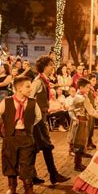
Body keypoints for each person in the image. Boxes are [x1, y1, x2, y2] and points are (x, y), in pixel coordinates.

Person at [0, 76, 42, 194]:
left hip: (26, 136)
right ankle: (12, 187)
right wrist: (5, 125)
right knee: (10, 162)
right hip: (11, 136)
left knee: (27, 163)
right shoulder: (7, 101)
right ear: (19, 88)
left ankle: (28, 189)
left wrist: (28, 125)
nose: (30, 89)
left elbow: (38, 117)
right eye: (28, 86)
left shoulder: (32, 102)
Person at [30, 55, 69, 185]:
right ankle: (52, 174)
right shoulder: (38, 81)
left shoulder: (44, 80)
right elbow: (30, 98)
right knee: (46, 145)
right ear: (45, 66)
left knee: (36, 146)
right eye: (51, 64)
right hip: (38, 119)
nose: (53, 67)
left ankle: (33, 175)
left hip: (41, 117)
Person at [68, 78, 98, 171]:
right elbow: (91, 112)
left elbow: (70, 109)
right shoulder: (82, 98)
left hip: (79, 121)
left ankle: (80, 158)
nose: (89, 89)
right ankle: (77, 164)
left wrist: (73, 117)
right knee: (79, 141)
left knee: (80, 140)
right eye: (87, 87)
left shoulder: (78, 96)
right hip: (81, 121)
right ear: (81, 87)